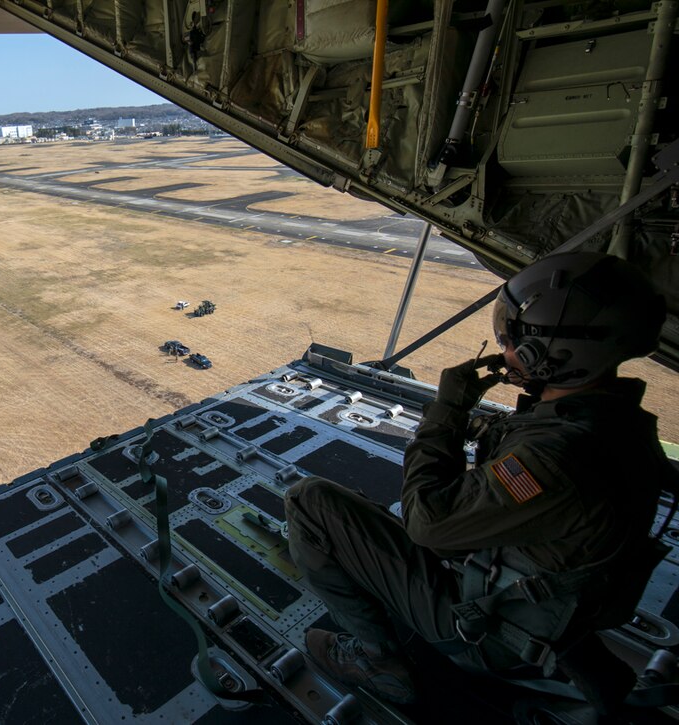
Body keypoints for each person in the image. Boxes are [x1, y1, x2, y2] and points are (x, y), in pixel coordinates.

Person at [284, 251, 674, 709]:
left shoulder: (556, 458)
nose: (504, 350)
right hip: (550, 605)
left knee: (309, 502)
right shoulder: (618, 421)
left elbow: (428, 527)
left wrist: (447, 411)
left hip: (485, 627)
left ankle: (378, 662)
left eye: (513, 340)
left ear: (551, 352)